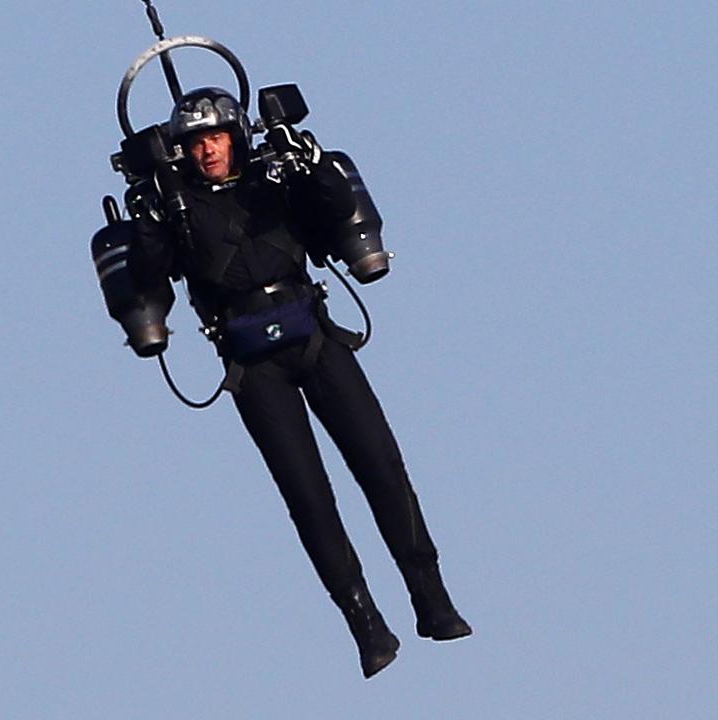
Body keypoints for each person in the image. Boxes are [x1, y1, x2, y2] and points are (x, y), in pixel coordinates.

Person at [128, 87, 470, 678]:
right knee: (309, 498)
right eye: (195, 144)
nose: (207, 151)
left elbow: (334, 206)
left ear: (236, 136)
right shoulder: (175, 211)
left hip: (317, 340)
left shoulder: (275, 182)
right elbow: (146, 273)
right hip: (253, 368)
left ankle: (431, 600)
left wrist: (309, 159)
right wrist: (153, 217)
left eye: (215, 138)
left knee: (382, 468)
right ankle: (366, 625)